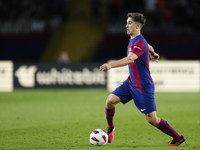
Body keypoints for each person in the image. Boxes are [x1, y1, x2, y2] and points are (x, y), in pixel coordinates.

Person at [99, 12, 186, 147]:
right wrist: (153, 53)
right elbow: (148, 45)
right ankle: (111, 128)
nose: (126, 25)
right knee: (110, 101)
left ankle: (178, 137)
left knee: (152, 119)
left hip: (143, 87)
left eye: (129, 23)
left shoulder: (139, 42)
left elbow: (130, 59)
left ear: (138, 25)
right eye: (127, 22)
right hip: (131, 82)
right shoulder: (136, 39)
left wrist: (110, 65)